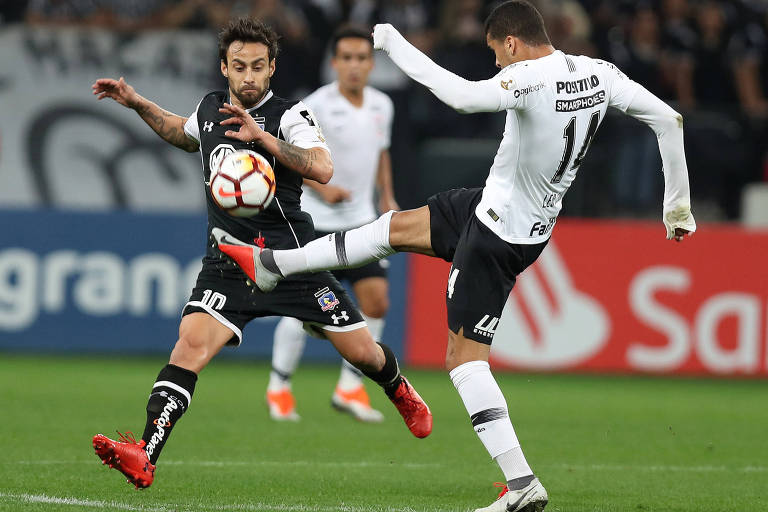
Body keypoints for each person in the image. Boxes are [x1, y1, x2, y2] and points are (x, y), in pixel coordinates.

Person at [215, 2, 697, 510]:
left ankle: (521, 485)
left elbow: (462, 98)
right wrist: (677, 208)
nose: (496, 65)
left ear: (511, 42)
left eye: (495, 53)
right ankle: (274, 266)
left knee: (463, 361)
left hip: (497, 235)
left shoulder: (529, 77)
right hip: (496, 209)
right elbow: (669, 119)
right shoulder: (602, 73)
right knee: (392, 228)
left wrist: (393, 43)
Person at [89, 17, 432, 491]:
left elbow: (323, 168)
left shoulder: (290, 116)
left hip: (291, 261)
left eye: (257, 67)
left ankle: (399, 389)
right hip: (228, 262)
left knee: (364, 353)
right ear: (224, 69)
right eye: (238, 67)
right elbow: (182, 134)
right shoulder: (209, 108)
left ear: (272, 68)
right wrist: (137, 103)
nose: (248, 77)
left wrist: (265, 139)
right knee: (189, 344)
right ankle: (145, 454)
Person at [266, 25, 398, 423]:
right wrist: (322, 190)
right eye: (347, 58)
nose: (355, 66)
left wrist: (386, 196)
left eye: (362, 58)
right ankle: (279, 387)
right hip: (315, 222)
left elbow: (381, 153)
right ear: (334, 63)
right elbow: (290, 156)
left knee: (376, 302)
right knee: (300, 309)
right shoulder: (314, 106)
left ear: (371, 64)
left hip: (361, 222)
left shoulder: (382, 106)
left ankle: (350, 386)